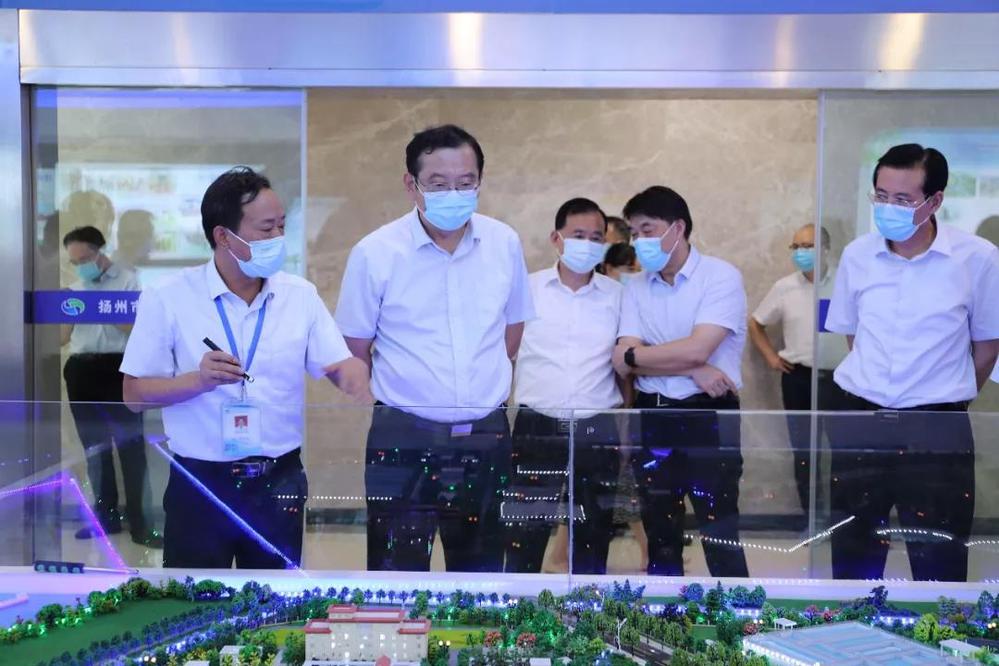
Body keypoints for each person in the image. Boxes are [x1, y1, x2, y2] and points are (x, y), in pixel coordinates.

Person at [121, 166, 370, 568]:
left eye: (282, 226)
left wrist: (352, 373)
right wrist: (199, 381)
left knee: (273, 600)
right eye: (266, 229)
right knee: (195, 598)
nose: (278, 239)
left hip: (278, 481)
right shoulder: (168, 297)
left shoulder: (299, 296)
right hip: (200, 481)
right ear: (223, 236)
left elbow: (337, 363)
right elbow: (133, 395)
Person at [335, 124, 534, 572]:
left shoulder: (503, 243)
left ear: (480, 181)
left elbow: (512, 329)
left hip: (485, 434)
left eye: (466, 183)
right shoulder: (375, 252)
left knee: (482, 570)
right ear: (411, 184)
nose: (454, 194)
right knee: (397, 572)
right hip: (404, 437)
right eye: (439, 184)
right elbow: (354, 347)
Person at [825, 144, 999, 581]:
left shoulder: (977, 258)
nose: (888, 208)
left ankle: (939, 625)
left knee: (939, 556)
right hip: (860, 419)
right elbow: (854, 336)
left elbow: (986, 347)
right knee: (853, 551)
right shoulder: (857, 255)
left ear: (935, 201)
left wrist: (947, 396)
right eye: (881, 196)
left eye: (903, 200)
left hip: (936, 429)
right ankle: (853, 622)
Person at [613, 185, 749, 577]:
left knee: (719, 525)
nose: (639, 242)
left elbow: (696, 348)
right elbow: (623, 360)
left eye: (647, 230)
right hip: (653, 415)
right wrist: (692, 368)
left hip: (709, 414)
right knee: (660, 528)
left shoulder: (720, 277)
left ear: (678, 228)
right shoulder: (636, 286)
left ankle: (736, 608)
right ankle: (666, 609)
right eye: (633, 233)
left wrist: (649, 357)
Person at [504, 197, 624, 575]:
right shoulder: (526, 289)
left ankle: (589, 604)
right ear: (556, 238)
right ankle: (519, 601)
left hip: (596, 424)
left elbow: (627, 362)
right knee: (526, 529)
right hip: (537, 423)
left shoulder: (618, 296)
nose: (587, 244)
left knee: (594, 529)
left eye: (596, 237)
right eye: (578, 235)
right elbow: (502, 351)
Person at [61, 226, 159, 547]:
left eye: (85, 259)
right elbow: (62, 337)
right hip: (81, 370)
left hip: (119, 368)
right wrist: (65, 307)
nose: (81, 266)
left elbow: (137, 328)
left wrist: (101, 304)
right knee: (95, 449)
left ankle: (141, 523)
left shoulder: (129, 282)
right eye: (75, 262)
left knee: (131, 448)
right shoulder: (75, 288)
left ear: (100, 252)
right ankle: (105, 519)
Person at [748, 224, 847, 517]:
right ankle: (811, 518)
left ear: (825, 249)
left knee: (843, 450)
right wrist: (771, 357)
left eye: (807, 246)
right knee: (804, 451)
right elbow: (755, 323)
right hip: (799, 378)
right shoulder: (785, 287)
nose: (801, 253)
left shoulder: (845, 280)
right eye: (796, 247)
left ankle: (842, 518)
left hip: (839, 379)